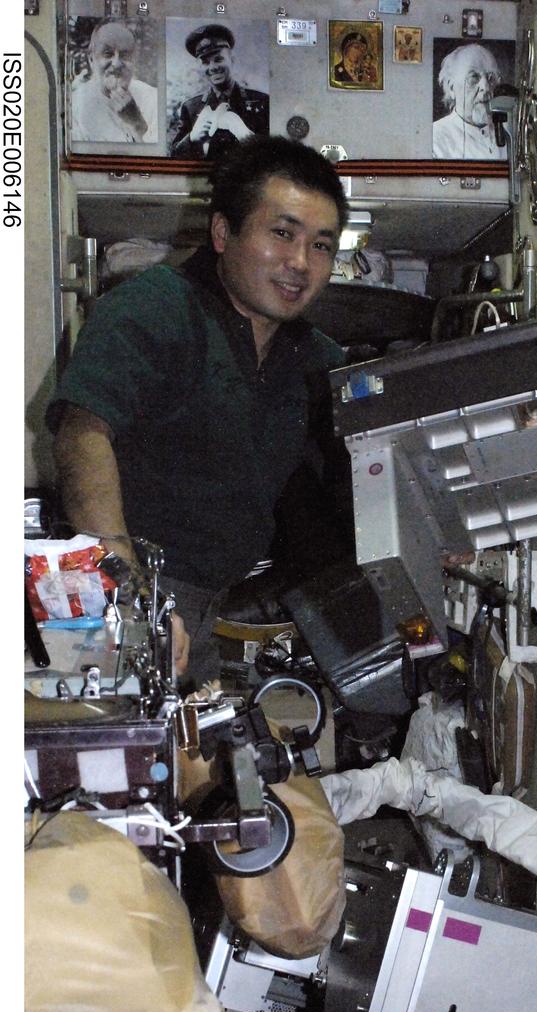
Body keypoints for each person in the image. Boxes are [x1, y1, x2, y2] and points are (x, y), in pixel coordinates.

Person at [49, 136, 350, 689]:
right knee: (112, 760)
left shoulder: (314, 359)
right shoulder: (154, 309)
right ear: (222, 233)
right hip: (111, 598)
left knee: (209, 764)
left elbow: (365, 464)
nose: (299, 263)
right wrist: (128, 591)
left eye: (321, 246)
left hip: (217, 607)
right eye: (282, 233)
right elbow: (82, 436)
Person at [170, 24, 269, 160]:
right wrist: (192, 138)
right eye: (205, 62)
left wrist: (246, 135)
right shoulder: (191, 107)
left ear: (232, 60)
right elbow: (173, 157)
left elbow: (274, 159)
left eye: (218, 59)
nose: (213, 67)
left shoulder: (262, 102)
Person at [70, 19, 158, 145]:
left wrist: (137, 123)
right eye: (107, 54)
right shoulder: (75, 105)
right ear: (91, 60)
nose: (116, 64)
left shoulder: (153, 98)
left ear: (134, 61)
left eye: (125, 55)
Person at [432, 43, 506, 160]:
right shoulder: (435, 139)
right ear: (452, 88)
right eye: (474, 77)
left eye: (491, 78)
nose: (486, 87)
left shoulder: (509, 132)